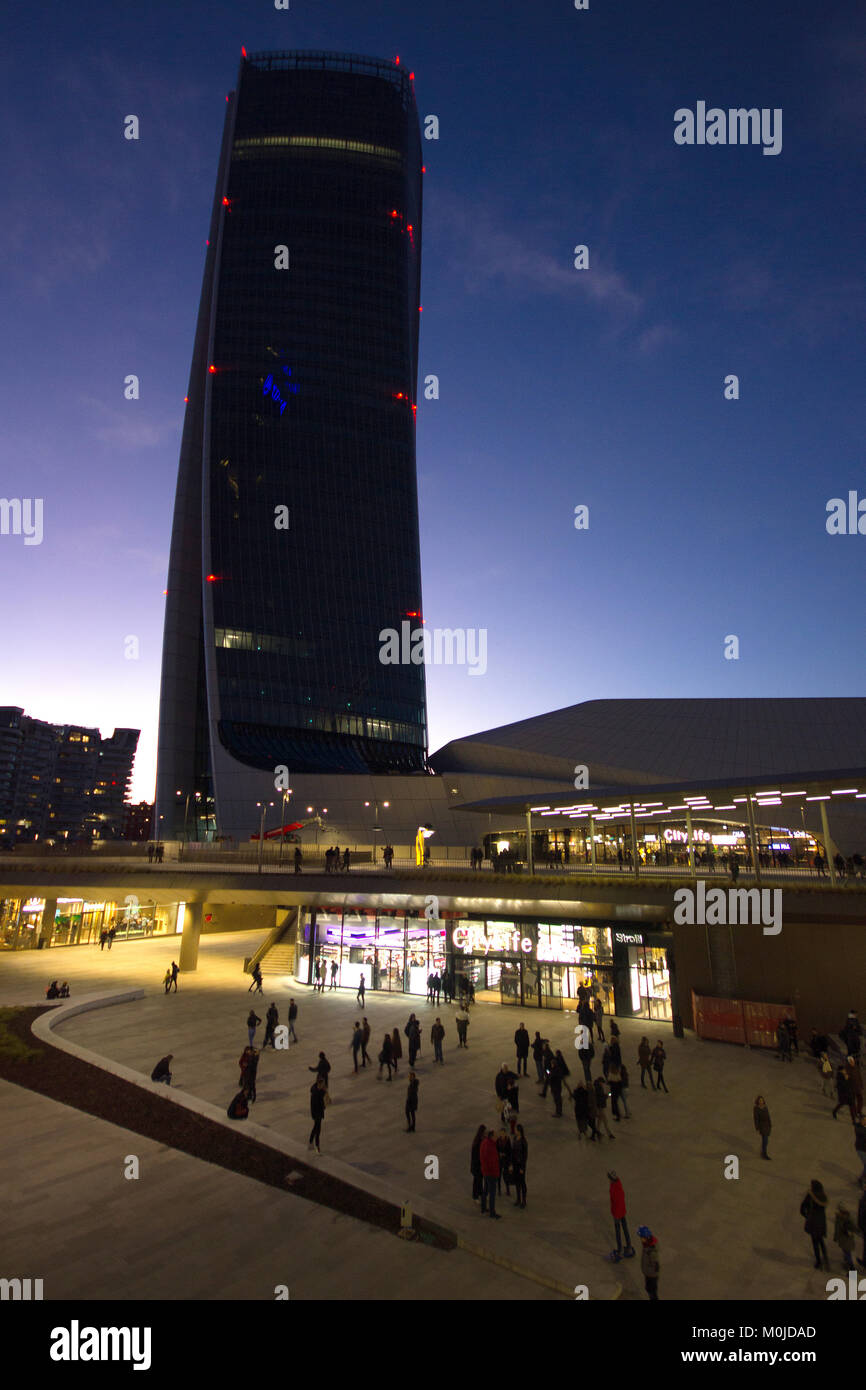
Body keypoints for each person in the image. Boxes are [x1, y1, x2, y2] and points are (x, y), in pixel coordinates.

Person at [800, 1180, 829, 1270]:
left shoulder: (811, 1196)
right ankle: (825, 1257)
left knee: (815, 1242)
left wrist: (806, 1215)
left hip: (813, 1220)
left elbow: (802, 1207)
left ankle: (818, 1261)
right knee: (821, 1240)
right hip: (821, 1220)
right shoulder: (823, 1196)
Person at [607, 1172, 634, 1259]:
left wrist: (615, 1214)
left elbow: (615, 1202)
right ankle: (629, 1247)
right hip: (622, 1211)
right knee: (625, 1228)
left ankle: (620, 1251)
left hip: (617, 1213)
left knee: (618, 1232)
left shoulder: (613, 1189)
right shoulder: (619, 1183)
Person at [480, 1129, 501, 1218]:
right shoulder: (490, 1146)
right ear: (492, 1137)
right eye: (496, 1136)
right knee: (492, 1193)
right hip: (491, 1173)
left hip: (485, 1171)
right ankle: (492, 1213)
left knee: (485, 1190)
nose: (497, 1137)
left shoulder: (484, 1143)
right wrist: (495, 1173)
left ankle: (483, 1207)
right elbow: (492, 1162)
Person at [638, 1226, 660, 1299]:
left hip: (651, 1276)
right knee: (648, 1289)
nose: (641, 1239)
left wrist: (651, 1274)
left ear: (646, 1237)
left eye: (642, 1238)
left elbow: (656, 1266)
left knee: (652, 1293)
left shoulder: (651, 1251)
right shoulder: (646, 1245)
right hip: (648, 1274)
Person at [834, 1203, 857, 1271]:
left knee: (847, 1254)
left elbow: (837, 1229)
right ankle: (847, 1264)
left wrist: (835, 1237)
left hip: (845, 1240)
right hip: (847, 1240)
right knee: (846, 1253)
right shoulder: (847, 1217)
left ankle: (852, 1271)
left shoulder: (841, 1219)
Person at [511, 1124, 528, 1208]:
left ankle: (524, 1200)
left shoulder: (523, 1142)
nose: (514, 1131)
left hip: (520, 1164)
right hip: (515, 1164)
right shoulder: (514, 1138)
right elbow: (512, 1151)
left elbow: (525, 1156)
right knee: (517, 1182)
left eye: (516, 1130)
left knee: (522, 1182)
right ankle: (518, 1199)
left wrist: (522, 1167)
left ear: (519, 1131)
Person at [548, 1051, 570, 1117]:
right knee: (558, 1099)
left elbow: (551, 1078)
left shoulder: (554, 1071)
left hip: (555, 1087)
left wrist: (549, 1074)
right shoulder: (558, 1069)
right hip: (558, 1087)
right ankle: (559, 1111)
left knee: (557, 1100)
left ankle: (558, 1112)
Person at [593, 1074, 615, 1139]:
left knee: (600, 1119)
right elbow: (601, 1097)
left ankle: (597, 1131)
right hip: (600, 1106)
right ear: (600, 1082)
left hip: (599, 1105)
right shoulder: (598, 1088)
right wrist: (607, 1095)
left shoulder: (597, 1087)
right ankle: (609, 1133)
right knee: (605, 1120)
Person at [309, 1076, 326, 1153]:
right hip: (317, 1114)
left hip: (318, 1113)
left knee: (315, 1128)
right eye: (323, 1084)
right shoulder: (316, 1094)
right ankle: (317, 1146)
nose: (324, 1085)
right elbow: (314, 1105)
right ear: (320, 1084)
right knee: (318, 1130)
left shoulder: (319, 1091)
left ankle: (310, 1142)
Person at [470, 1123, 486, 1202]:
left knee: (479, 1180)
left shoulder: (479, 1140)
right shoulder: (478, 1142)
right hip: (477, 1166)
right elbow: (476, 1156)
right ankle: (475, 1196)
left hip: (478, 1165)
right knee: (477, 1181)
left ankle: (480, 1193)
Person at [754, 1094, 771, 1160]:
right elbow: (756, 1118)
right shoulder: (756, 1108)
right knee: (765, 1140)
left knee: (766, 1141)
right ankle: (764, 1154)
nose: (761, 1101)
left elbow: (768, 1116)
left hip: (767, 1126)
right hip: (762, 1126)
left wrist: (770, 1124)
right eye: (760, 1100)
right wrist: (757, 1127)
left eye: (762, 1100)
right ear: (757, 1101)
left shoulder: (765, 1107)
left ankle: (763, 1151)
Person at [854, 1115, 866, 1187]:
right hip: (861, 1149)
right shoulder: (858, 1127)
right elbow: (862, 1134)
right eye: (864, 1120)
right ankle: (862, 1180)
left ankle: (862, 1178)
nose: (865, 1121)